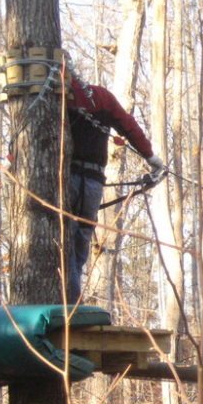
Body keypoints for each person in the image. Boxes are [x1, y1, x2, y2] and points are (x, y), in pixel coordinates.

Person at [65, 68, 165, 303]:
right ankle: (70, 298)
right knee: (78, 239)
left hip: (71, 178)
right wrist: (150, 157)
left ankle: (69, 300)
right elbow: (128, 125)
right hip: (91, 180)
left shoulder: (56, 96)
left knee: (67, 238)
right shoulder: (100, 97)